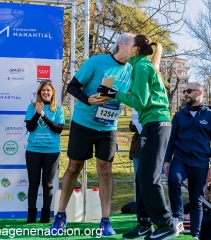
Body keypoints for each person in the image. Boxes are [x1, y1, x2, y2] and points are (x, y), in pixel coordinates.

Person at [50, 32, 135, 236]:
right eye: (134, 45)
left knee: (105, 169)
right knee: (74, 167)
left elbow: (131, 96)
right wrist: (88, 99)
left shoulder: (132, 70)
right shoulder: (97, 62)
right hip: (83, 123)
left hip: (108, 127)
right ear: (121, 44)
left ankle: (105, 220)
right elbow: (72, 86)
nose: (136, 49)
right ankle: (60, 215)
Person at [98, 34, 178, 240]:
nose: (123, 45)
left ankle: (166, 225)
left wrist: (113, 93)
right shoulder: (140, 67)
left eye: (129, 43)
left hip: (156, 124)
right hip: (151, 125)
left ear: (135, 50)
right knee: (142, 177)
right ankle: (144, 224)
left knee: (149, 178)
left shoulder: (142, 67)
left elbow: (140, 101)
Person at [163, 82, 211, 239]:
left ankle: (195, 235)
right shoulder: (179, 115)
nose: (185, 94)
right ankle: (177, 218)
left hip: (200, 162)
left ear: (199, 92)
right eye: (184, 91)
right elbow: (172, 138)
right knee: (174, 179)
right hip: (180, 159)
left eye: (188, 91)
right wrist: (167, 160)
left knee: (197, 201)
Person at [24, 81, 65, 224]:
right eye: (43, 91)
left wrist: (43, 115)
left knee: (47, 183)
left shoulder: (58, 109)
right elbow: (29, 127)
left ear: (52, 92)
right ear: (39, 93)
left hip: (52, 151)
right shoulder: (32, 107)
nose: (45, 93)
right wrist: (37, 113)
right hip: (33, 150)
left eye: (48, 90)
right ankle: (31, 216)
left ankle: (46, 215)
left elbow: (58, 129)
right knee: (33, 183)